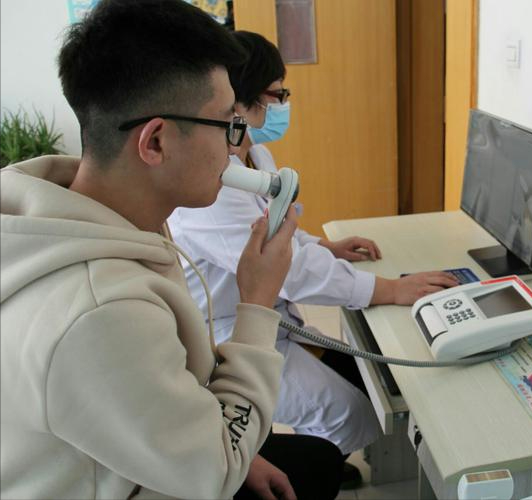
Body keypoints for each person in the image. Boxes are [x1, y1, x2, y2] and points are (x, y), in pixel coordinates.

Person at [0, 2, 341, 499]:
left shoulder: (101, 213)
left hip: (149, 450)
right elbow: (213, 474)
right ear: (155, 142)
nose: (234, 147)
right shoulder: (99, 313)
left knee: (316, 461)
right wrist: (257, 302)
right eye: (226, 125)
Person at [168, 31, 459, 485]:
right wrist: (389, 289)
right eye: (277, 95)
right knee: (350, 414)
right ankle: (312, 463)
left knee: (358, 376)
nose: (283, 105)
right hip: (227, 337)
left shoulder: (254, 154)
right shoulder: (213, 188)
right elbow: (285, 270)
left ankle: (317, 453)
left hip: (270, 320)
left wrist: (324, 246)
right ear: (237, 101)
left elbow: (277, 227)